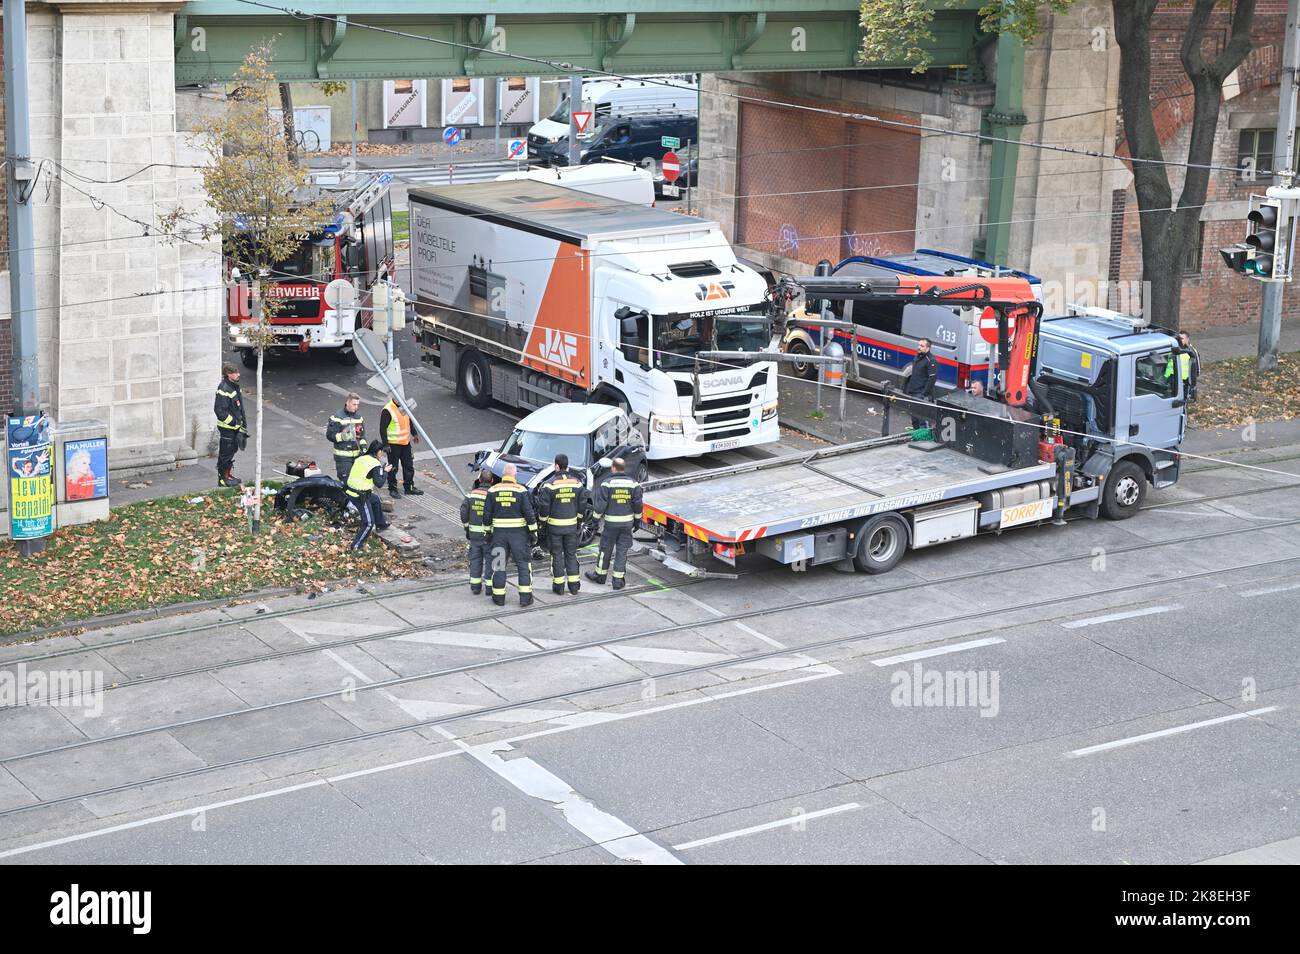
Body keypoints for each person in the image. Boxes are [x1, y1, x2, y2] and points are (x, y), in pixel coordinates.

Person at [483, 462, 538, 607]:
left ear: (502, 475)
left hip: (499, 536)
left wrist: (487, 532)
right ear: (515, 475)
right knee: (523, 565)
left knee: (499, 565)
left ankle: (499, 598)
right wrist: (533, 532)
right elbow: (529, 514)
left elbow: (487, 515)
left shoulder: (493, 490)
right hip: (519, 536)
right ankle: (525, 598)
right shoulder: (521, 490)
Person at [585, 457, 642, 590]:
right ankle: (617, 581)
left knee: (605, 550)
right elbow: (638, 504)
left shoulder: (607, 484)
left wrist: (594, 521)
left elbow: (600, 506)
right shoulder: (634, 484)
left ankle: (600, 576)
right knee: (622, 551)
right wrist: (637, 520)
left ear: (613, 468)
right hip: (627, 524)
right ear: (624, 468)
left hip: (611, 525)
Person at [536, 453, 585, 596]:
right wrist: (579, 520)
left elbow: (544, 508)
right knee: (571, 554)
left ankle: (558, 587)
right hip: (571, 526)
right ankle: (574, 586)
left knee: (556, 555)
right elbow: (582, 503)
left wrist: (543, 523)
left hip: (555, 527)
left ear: (556, 466)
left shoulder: (549, 485)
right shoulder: (577, 483)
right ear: (567, 465)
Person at [344, 440, 392, 551]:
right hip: (360, 495)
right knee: (369, 523)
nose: (383, 455)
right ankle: (355, 546)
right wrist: (385, 471)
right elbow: (379, 483)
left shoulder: (361, 458)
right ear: (378, 451)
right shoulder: (375, 464)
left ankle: (380, 524)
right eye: (382, 452)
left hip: (351, 490)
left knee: (375, 500)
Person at [379, 396, 423, 498]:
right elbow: (382, 428)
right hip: (393, 445)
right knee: (393, 468)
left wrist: (414, 434)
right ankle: (393, 489)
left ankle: (409, 488)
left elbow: (408, 420)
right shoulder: (388, 410)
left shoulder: (404, 406)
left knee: (409, 466)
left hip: (406, 443)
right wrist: (385, 444)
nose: (400, 400)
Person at [459, 470, 493, 595]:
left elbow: (463, 513)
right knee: (490, 560)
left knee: (475, 560)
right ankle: (489, 588)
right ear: (492, 481)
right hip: (489, 536)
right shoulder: (492, 495)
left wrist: (467, 528)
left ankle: (475, 586)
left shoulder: (470, 496)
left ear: (479, 481)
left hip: (474, 535)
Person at [214, 363, 247, 487]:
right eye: (235, 372)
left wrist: (242, 425)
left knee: (231, 452)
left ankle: (228, 475)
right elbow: (220, 411)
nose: (238, 374)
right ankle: (223, 479)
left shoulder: (233, 387)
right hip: (227, 429)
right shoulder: (224, 389)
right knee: (225, 454)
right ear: (228, 374)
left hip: (234, 428)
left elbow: (239, 408)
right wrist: (234, 422)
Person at [326, 393, 366, 481]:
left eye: (357, 405)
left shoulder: (359, 418)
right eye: (354, 404)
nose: (356, 407)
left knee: (356, 482)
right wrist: (344, 436)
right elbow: (330, 436)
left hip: (357, 457)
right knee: (345, 482)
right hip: (342, 457)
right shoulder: (337, 417)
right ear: (347, 403)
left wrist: (364, 448)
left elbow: (362, 436)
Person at [904, 338, 938, 430]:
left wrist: (924, 394)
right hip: (913, 392)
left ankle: (924, 442)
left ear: (928, 348)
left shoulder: (931, 360)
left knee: (922, 422)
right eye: (918, 345)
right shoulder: (918, 357)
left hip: (922, 395)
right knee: (914, 420)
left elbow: (932, 379)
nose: (919, 347)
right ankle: (916, 436)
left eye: (922, 346)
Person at [1165, 331, 1200, 402]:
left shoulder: (1191, 351)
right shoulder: (1173, 348)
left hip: (1184, 381)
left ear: (1187, 339)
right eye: (1178, 339)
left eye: (1182, 339)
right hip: (1170, 378)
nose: (1180, 341)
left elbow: (1197, 369)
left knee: (1182, 401)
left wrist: (1192, 385)